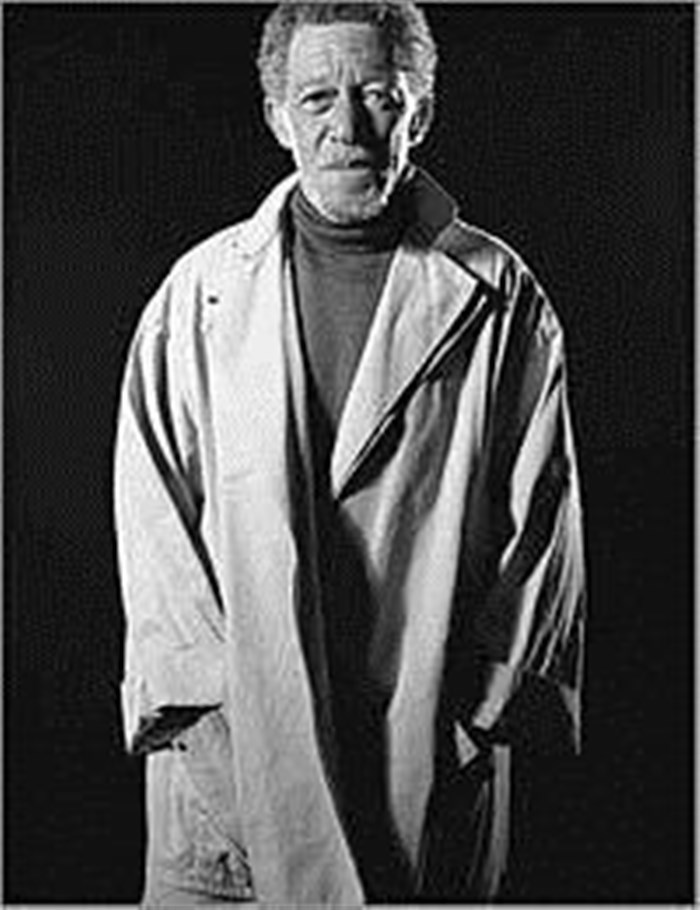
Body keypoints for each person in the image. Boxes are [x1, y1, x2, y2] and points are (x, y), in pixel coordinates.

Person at [113, 1, 586, 905]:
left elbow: (541, 525)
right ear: (276, 117)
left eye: (378, 94)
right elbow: (154, 524)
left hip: (423, 747)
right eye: (317, 97)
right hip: (233, 762)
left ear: (421, 111)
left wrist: (478, 716)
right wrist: (202, 718)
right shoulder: (198, 296)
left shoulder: (498, 295)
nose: (348, 127)